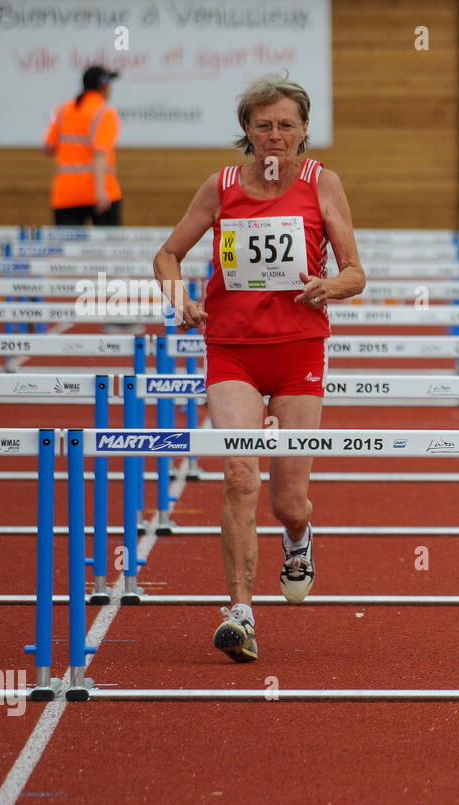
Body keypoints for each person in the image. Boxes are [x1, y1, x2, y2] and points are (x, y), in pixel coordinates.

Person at [154, 74, 365, 662]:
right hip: (231, 350)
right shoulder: (221, 187)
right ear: (245, 130)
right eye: (263, 125)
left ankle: (298, 538)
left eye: (286, 125)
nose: (275, 136)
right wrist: (180, 299)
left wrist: (330, 286)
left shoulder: (324, 184)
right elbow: (168, 253)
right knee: (240, 475)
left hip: (299, 353)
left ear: (304, 131)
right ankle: (240, 613)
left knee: (286, 498)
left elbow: (356, 272)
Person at [44, 65, 123, 226]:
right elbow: (100, 153)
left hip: (67, 195)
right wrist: (101, 192)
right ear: (103, 87)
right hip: (100, 192)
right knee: (110, 248)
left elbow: (48, 148)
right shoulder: (105, 113)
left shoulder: (62, 110)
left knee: (67, 250)